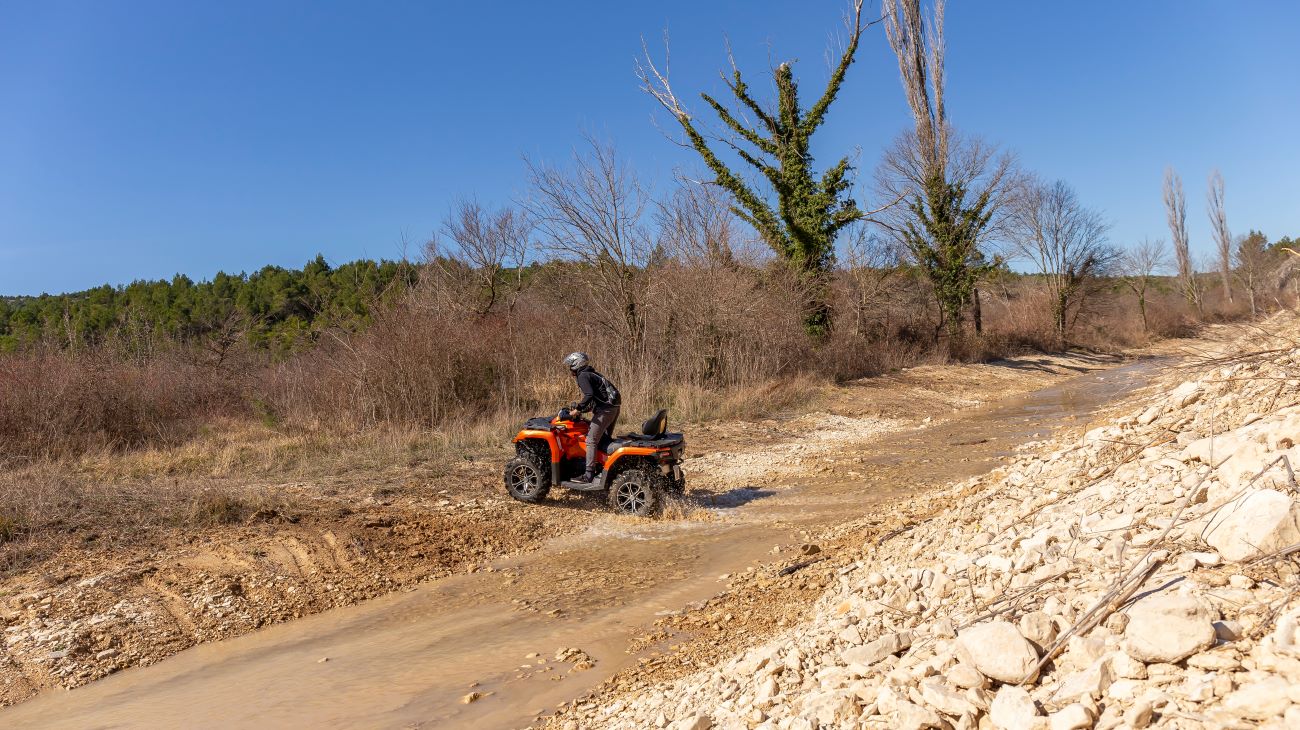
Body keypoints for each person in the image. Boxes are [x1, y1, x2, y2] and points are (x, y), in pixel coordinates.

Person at [563, 352, 621, 483]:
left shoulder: (583, 375)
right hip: (613, 408)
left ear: (576, 364)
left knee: (590, 440)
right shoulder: (592, 373)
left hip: (605, 410)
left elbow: (589, 395)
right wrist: (584, 408)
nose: (570, 369)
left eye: (571, 365)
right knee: (603, 440)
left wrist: (577, 410)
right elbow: (596, 396)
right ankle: (604, 469)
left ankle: (588, 475)